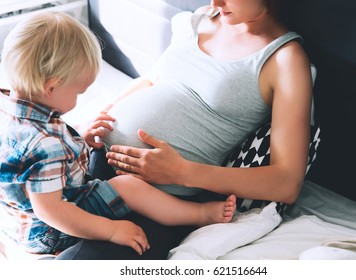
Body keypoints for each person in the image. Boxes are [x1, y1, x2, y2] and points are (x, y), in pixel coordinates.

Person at [56, 0, 314, 260]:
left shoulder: (285, 61)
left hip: (160, 204)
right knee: (39, 216)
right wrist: (95, 121)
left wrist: (182, 172)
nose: (215, 2)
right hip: (95, 159)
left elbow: (286, 182)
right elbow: (151, 80)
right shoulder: (200, 19)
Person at [0, 11, 237, 256]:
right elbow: (52, 211)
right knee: (128, 187)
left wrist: (79, 135)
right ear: (51, 87)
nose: (78, 98)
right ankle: (200, 214)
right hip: (50, 231)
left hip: (17, 223)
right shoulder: (44, 145)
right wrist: (110, 230)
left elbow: (33, 159)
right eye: (78, 92)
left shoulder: (13, 111)